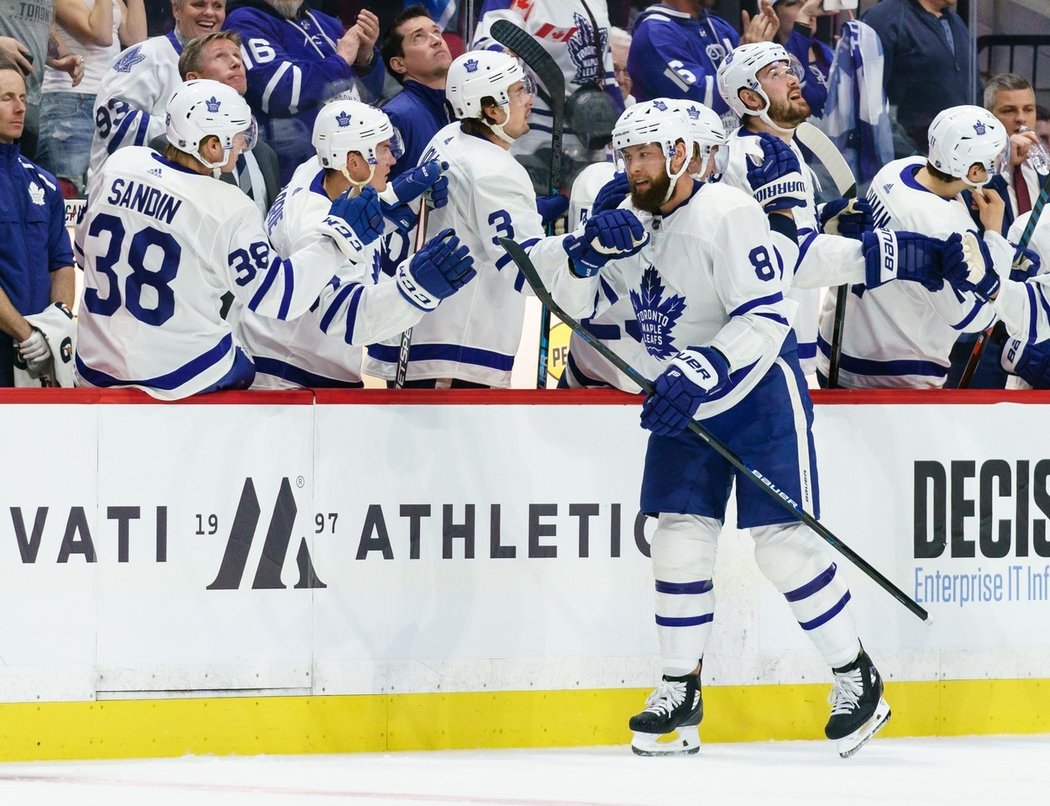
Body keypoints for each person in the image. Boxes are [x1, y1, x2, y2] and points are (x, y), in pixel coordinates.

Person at [530, 98, 890, 758]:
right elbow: (572, 309)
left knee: (782, 546)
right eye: (630, 153)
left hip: (756, 393)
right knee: (676, 540)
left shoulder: (728, 215)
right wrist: (583, 258)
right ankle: (679, 688)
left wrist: (700, 368)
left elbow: (764, 316)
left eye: (650, 153)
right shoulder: (623, 220)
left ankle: (855, 676)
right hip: (683, 397)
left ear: (687, 155)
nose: (637, 166)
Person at [74, 79, 388, 399]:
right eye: (238, 137)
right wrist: (336, 242)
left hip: (94, 366)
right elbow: (279, 298)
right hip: (175, 377)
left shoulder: (120, 164)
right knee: (243, 359)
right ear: (212, 146)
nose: (243, 146)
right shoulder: (228, 205)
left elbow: (82, 253)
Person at [231, 99, 471, 389]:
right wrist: (416, 290)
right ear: (353, 161)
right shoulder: (314, 227)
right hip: (289, 378)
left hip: (281, 354)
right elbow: (346, 318)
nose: (393, 159)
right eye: (384, 149)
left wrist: (391, 199)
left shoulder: (315, 170)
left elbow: (350, 215)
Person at [363, 50, 547, 388]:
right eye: (518, 91)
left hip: (420, 331)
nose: (528, 99)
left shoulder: (447, 136)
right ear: (492, 109)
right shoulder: (497, 170)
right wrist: (580, 251)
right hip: (455, 352)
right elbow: (529, 268)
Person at [813, 105, 1013, 388]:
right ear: (974, 170)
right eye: (993, 159)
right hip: (893, 376)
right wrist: (994, 235)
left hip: (837, 350)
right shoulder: (948, 229)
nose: (998, 165)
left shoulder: (897, 169)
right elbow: (973, 318)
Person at [559, 97, 726, 391]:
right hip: (654, 376)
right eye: (629, 156)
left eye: (643, 154)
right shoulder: (707, 210)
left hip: (603, 367)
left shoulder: (600, 181)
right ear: (685, 153)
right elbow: (576, 302)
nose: (712, 166)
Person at [945, 73, 1048, 389]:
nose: (1021, 119)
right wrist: (999, 163)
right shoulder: (966, 173)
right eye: (1009, 111)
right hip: (983, 327)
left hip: (1032, 326)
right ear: (987, 117)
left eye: (1028, 109)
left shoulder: (1044, 173)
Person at [222, 1, 385, 183]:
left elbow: (370, 94)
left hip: (352, 162)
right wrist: (340, 61)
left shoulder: (326, 23)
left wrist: (365, 60)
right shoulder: (246, 21)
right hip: (297, 171)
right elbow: (279, 91)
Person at [473, 0, 625, 191]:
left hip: (590, 131)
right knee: (538, 209)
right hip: (535, 134)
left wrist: (620, 121)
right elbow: (486, 45)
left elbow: (604, 63)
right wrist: (505, 55)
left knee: (584, 205)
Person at [146, 31, 281, 216]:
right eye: (220, 56)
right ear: (193, 79)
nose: (236, 63)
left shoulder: (265, 154)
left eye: (237, 55)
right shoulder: (170, 148)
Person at [0, 59, 76, 386]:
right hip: (18, 341)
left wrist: (53, 327)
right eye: (6, 98)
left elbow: (62, 263)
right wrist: (25, 333)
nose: (20, 108)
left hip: (38, 350)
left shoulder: (44, 182)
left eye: (22, 97)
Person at [90, 0, 226, 176]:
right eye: (199, 5)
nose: (210, 13)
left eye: (218, 6)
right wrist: (194, 129)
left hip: (185, 192)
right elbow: (114, 125)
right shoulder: (145, 55)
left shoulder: (224, 68)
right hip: (125, 191)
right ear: (176, 9)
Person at [37, 0, 147, 194]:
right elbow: (101, 34)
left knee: (98, 188)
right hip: (69, 99)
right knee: (69, 191)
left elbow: (136, 40)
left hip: (105, 102)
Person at [626, 0, 777, 133]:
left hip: (730, 151)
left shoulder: (719, 27)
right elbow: (701, 102)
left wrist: (764, 57)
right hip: (685, 157)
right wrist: (748, 61)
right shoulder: (654, 33)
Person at [861, 0, 977, 158]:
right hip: (906, 153)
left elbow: (973, 85)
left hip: (955, 151)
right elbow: (869, 96)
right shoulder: (885, 18)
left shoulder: (954, 21)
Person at [380, 5, 452, 181]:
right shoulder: (396, 117)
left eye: (437, 32)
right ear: (399, 64)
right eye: (418, 37)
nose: (436, 40)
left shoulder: (464, 106)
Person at [769, 0, 832, 117]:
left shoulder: (831, 53)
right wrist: (803, 20)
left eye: (808, 1)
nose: (806, 7)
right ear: (773, 16)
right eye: (792, 3)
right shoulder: (771, 68)